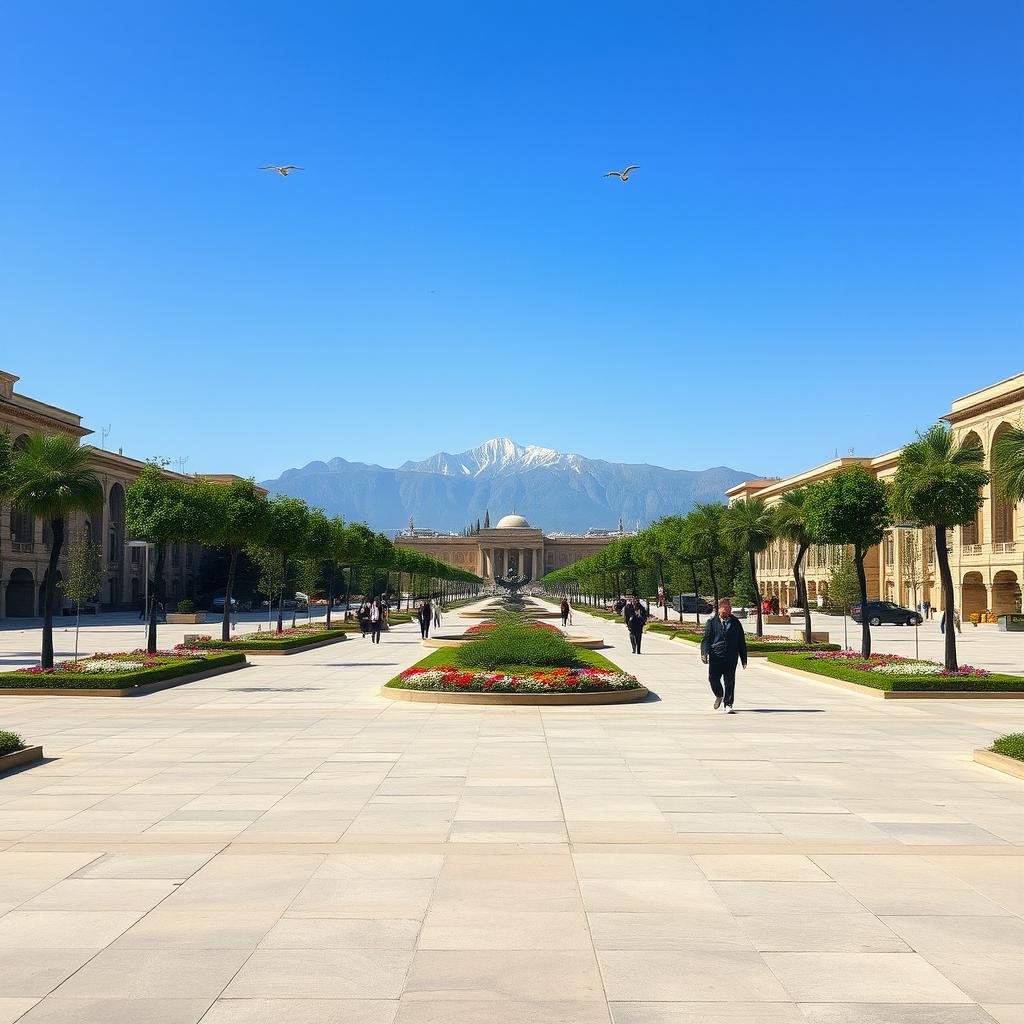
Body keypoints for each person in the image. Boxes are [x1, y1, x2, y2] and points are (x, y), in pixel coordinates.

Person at [700, 598, 748, 714]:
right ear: (720, 609)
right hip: (716, 655)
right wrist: (704, 653)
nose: (728, 611)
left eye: (729, 609)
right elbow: (706, 639)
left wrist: (744, 659)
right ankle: (719, 695)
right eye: (726, 609)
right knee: (713, 678)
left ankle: (728, 704)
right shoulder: (712, 622)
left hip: (731, 656)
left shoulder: (736, 623)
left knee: (729, 680)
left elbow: (741, 641)